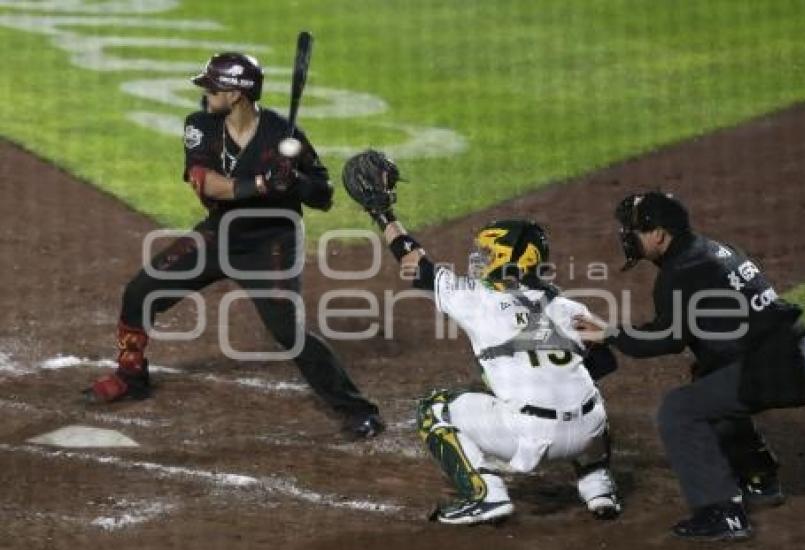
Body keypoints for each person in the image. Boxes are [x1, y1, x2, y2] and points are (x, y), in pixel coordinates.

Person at [87, 52, 384, 439]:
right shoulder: (200, 125)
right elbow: (204, 182)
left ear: (238, 94)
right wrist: (263, 184)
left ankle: (358, 410)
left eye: (213, 86)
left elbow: (323, 195)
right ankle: (131, 375)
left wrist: (295, 181)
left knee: (288, 332)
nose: (206, 92)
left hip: (272, 244)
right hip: (221, 233)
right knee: (141, 292)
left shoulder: (283, 134)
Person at [341, 149, 622, 525]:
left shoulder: (476, 299)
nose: (480, 259)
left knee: (435, 409)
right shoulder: (567, 307)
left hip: (531, 435)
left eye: (489, 253)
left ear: (511, 258)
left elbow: (417, 266)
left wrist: (383, 214)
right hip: (588, 433)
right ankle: (597, 485)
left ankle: (486, 495)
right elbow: (607, 360)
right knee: (584, 390)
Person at [576, 191, 805, 541]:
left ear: (659, 235)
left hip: (776, 364)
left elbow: (666, 339)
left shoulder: (681, 271)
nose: (627, 236)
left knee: (679, 410)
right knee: (708, 379)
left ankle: (722, 512)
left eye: (634, 230)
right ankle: (759, 478)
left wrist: (610, 334)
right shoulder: (710, 250)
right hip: (795, 351)